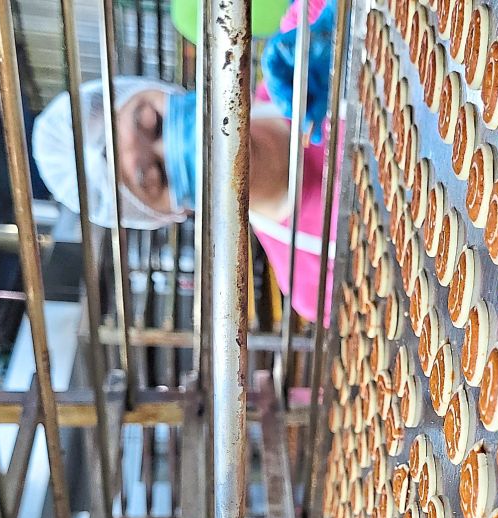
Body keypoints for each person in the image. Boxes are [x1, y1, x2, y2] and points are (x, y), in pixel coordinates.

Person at [31, 0, 338, 322]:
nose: (186, 146)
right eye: (156, 176)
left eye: (153, 121)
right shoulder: (310, 281)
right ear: (171, 212)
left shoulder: (304, 30)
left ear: (168, 91)